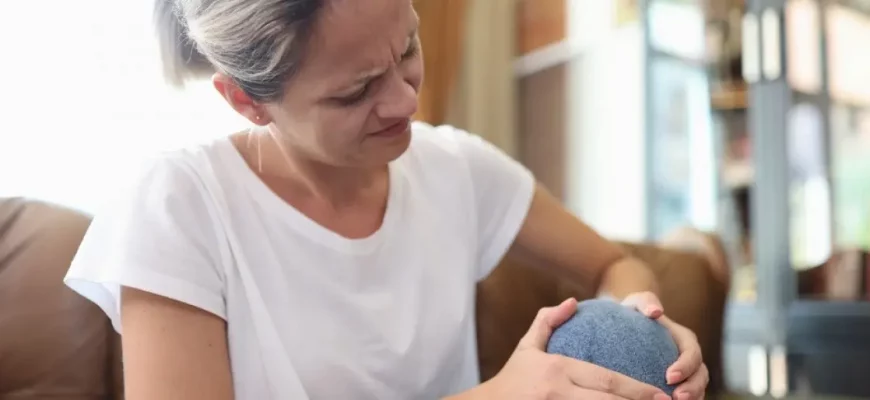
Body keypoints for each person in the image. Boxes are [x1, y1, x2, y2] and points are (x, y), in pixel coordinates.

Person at [63, 0, 709, 399]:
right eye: (356, 90)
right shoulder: (179, 209)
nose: (406, 101)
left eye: (407, 48)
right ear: (246, 100)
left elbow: (613, 267)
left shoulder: (458, 170)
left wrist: (642, 332)